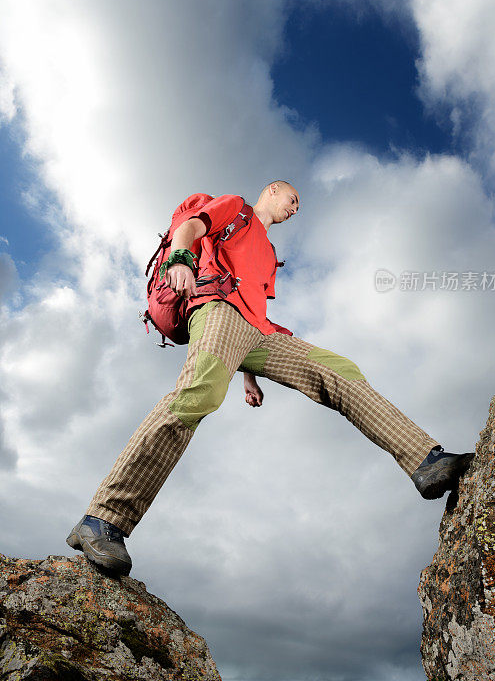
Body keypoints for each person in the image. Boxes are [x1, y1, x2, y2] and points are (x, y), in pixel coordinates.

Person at [67, 181, 473, 575]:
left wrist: (249, 377)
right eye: (292, 199)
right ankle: (104, 519)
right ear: (272, 191)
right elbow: (191, 228)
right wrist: (179, 259)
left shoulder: (269, 252)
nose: (294, 208)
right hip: (218, 308)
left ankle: (425, 460)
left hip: (257, 332)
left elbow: (254, 307)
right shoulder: (237, 207)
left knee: (338, 369)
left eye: (298, 207)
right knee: (198, 395)